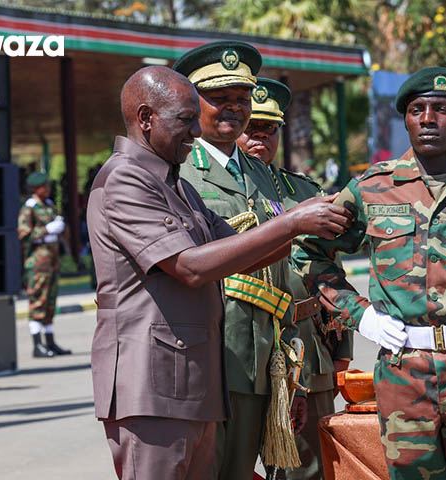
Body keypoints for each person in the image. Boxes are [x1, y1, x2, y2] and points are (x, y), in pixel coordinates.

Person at [86, 66, 350, 480]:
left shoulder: (175, 184)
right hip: (151, 387)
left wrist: (322, 216)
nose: (195, 131)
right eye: (184, 120)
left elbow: (245, 252)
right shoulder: (125, 179)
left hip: (192, 383)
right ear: (145, 118)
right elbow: (189, 267)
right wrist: (293, 222)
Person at [294, 67, 446, 480]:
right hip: (403, 371)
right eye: (416, 110)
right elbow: (309, 253)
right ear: (406, 119)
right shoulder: (372, 188)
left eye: (442, 109)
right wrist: (361, 316)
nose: (428, 119)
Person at [173, 41, 311, 479]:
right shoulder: (180, 171)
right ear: (194, 103)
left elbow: (282, 271)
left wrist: (292, 362)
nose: (233, 109)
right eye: (219, 99)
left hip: (263, 358)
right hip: (210, 355)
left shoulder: (262, 173)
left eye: (241, 99)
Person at [238, 78, 353, 480]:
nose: (259, 138)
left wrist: (341, 345)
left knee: (309, 469)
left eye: (268, 130)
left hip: (307, 348)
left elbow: (330, 271)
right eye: (250, 128)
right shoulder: (210, 186)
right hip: (240, 348)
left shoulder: (303, 191)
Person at [18, 171, 71, 358]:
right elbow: (24, 234)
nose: (47, 189)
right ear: (35, 188)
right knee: (38, 301)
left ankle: (49, 341)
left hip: (52, 259)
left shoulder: (48, 206)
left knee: (50, 301)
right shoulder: (29, 208)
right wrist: (46, 230)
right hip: (38, 261)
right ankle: (37, 345)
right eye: (44, 187)